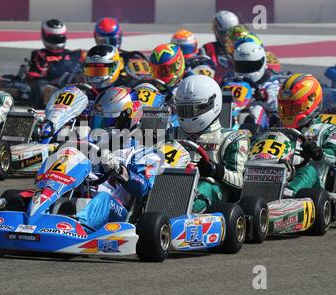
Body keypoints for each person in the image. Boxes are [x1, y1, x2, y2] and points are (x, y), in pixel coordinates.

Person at [75, 86, 160, 232]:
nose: (100, 128)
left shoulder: (144, 152)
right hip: (82, 197)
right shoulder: (89, 145)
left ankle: (77, 228)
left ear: (127, 121)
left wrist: (120, 170)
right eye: (98, 122)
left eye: (107, 123)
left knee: (102, 199)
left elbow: (143, 188)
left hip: (116, 210)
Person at [172, 75, 250, 212]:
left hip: (211, 188)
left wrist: (214, 170)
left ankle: (180, 211)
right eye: (183, 109)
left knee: (205, 187)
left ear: (213, 104)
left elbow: (240, 183)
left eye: (193, 110)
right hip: (170, 185)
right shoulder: (170, 134)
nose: (187, 115)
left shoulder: (231, 139)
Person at [277, 74, 336, 195]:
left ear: (311, 103)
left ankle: (287, 195)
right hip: (278, 177)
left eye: (294, 108)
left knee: (309, 170)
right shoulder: (278, 129)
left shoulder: (327, 130)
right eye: (286, 108)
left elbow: (333, 157)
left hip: (314, 189)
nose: (289, 113)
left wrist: (317, 152)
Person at [28, 19, 85, 108]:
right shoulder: (40, 55)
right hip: (55, 90)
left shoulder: (76, 55)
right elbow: (36, 79)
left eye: (60, 38)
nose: (57, 42)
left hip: (77, 88)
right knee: (41, 87)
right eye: (54, 39)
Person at [230, 41, 281, 123]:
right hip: (233, 112)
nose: (246, 70)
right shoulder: (231, 81)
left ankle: (253, 133)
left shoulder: (270, 81)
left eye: (251, 66)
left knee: (257, 109)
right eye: (242, 66)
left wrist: (264, 95)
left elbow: (276, 101)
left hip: (264, 121)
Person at [202, 10, 239, 83]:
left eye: (231, 33)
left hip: (241, 85)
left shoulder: (242, 46)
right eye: (225, 33)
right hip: (217, 86)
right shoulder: (207, 48)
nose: (227, 37)